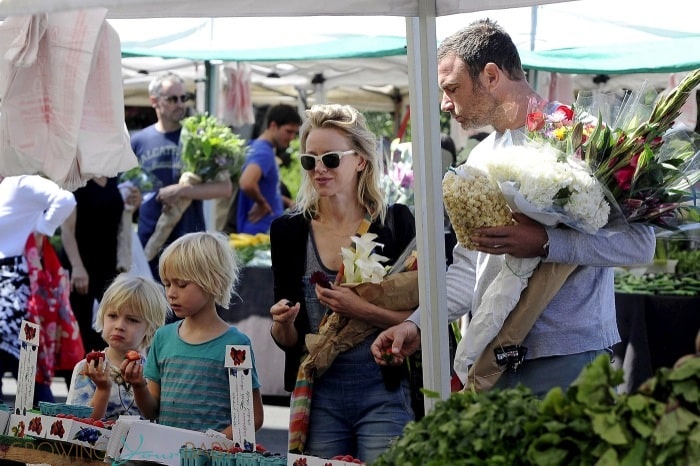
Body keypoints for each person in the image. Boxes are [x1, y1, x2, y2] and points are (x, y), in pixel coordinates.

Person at [370, 19, 657, 397]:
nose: (444, 103)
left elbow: (640, 245)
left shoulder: (585, 137)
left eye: (451, 88)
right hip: (494, 361)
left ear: (490, 75)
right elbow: (470, 267)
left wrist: (545, 242)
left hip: (570, 359)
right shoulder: (480, 158)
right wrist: (419, 324)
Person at [269, 104, 416, 463]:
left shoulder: (395, 224)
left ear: (361, 160)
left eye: (331, 159)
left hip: (385, 388)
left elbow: (420, 322)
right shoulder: (288, 231)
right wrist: (282, 323)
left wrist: (360, 309)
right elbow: (288, 341)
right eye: (310, 160)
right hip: (319, 394)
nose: (319, 169)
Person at [121, 232, 264, 437]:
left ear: (212, 281)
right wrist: (138, 385)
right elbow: (152, 410)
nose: (170, 293)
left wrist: (210, 444)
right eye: (167, 283)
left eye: (181, 284)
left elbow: (251, 418)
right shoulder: (162, 337)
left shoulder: (235, 345)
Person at [131, 72, 233, 280]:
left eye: (183, 98)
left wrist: (183, 190)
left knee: (187, 306)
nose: (180, 104)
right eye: (172, 99)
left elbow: (225, 188)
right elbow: (129, 188)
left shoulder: (199, 138)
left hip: (189, 239)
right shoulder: (139, 141)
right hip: (150, 239)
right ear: (154, 101)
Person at [0, 175, 76, 404]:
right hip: (8, 288)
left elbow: (65, 199)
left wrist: (42, 230)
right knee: (28, 373)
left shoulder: (19, 183)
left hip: (22, 292)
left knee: (29, 374)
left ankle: (48, 435)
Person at [60, 177, 142, 366]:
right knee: (80, 326)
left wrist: (134, 204)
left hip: (110, 269)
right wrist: (77, 267)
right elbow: (67, 231)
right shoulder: (76, 181)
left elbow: (121, 219)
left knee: (107, 327)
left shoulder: (114, 178)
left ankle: (102, 382)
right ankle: (78, 383)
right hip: (81, 267)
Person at [66, 273, 167, 420]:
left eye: (132, 320)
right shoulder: (88, 369)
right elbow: (77, 425)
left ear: (150, 328)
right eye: (113, 316)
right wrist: (102, 389)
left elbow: (155, 418)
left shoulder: (153, 371)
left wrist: (141, 387)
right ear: (102, 316)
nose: (119, 326)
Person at [236, 103, 302, 234]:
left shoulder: (257, 146)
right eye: (288, 131)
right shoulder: (263, 152)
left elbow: (267, 190)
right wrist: (262, 204)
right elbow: (246, 183)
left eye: (295, 133)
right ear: (273, 126)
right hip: (258, 232)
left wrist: (288, 202)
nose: (291, 137)